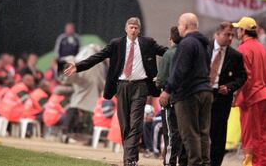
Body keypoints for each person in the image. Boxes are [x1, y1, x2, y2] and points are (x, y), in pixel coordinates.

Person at [64, 17, 167, 166]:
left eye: (136, 28)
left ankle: (130, 160)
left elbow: (167, 53)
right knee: (125, 124)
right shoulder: (116, 44)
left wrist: (183, 51)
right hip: (122, 86)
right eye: (131, 27)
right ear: (126, 29)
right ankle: (131, 157)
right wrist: (78, 66)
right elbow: (97, 57)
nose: (133, 30)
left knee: (136, 123)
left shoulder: (148, 43)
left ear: (139, 30)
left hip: (141, 86)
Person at [163, 13, 213, 166]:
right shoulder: (206, 44)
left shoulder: (186, 44)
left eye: (179, 24)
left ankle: (195, 164)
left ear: (184, 26)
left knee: (189, 134)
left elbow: (179, 70)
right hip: (205, 91)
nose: (178, 28)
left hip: (189, 94)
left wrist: (167, 90)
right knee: (203, 133)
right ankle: (205, 163)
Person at [232, 16, 266, 166]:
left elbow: (245, 78)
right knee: (264, 137)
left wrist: (237, 97)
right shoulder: (262, 48)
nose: (237, 31)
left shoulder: (243, 49)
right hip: (265, 96)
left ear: (243, 31)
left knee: (250, 137)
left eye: (238, 29)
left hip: (251, 98)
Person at [208, 22, 247, 166]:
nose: (230, 38)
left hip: (221, 98)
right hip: (203, 94)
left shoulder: (235, 55)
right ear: (217, 34)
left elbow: (242, 76)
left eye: (232, 35)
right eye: (227, 34)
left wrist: (230, 87)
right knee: (200, 131)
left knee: (218, 134)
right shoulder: (205, 47)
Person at [156, 26, 186, 166]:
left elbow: (161, 80)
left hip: (170, 99)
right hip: (185, 99)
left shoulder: (168, 54)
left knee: (170, 133)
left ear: (171, 39)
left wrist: (158, 81)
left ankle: (169, 162)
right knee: (183, 133)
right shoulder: (188, 53)